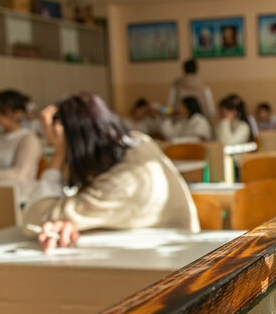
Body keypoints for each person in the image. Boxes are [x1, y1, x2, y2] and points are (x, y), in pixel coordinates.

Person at [23, 93, 200, 252]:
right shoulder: (138, 142)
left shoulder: (123, 181)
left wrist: (59, 154)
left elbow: (35, 217)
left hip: (171, 270)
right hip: (158, 256)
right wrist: (70, 221)